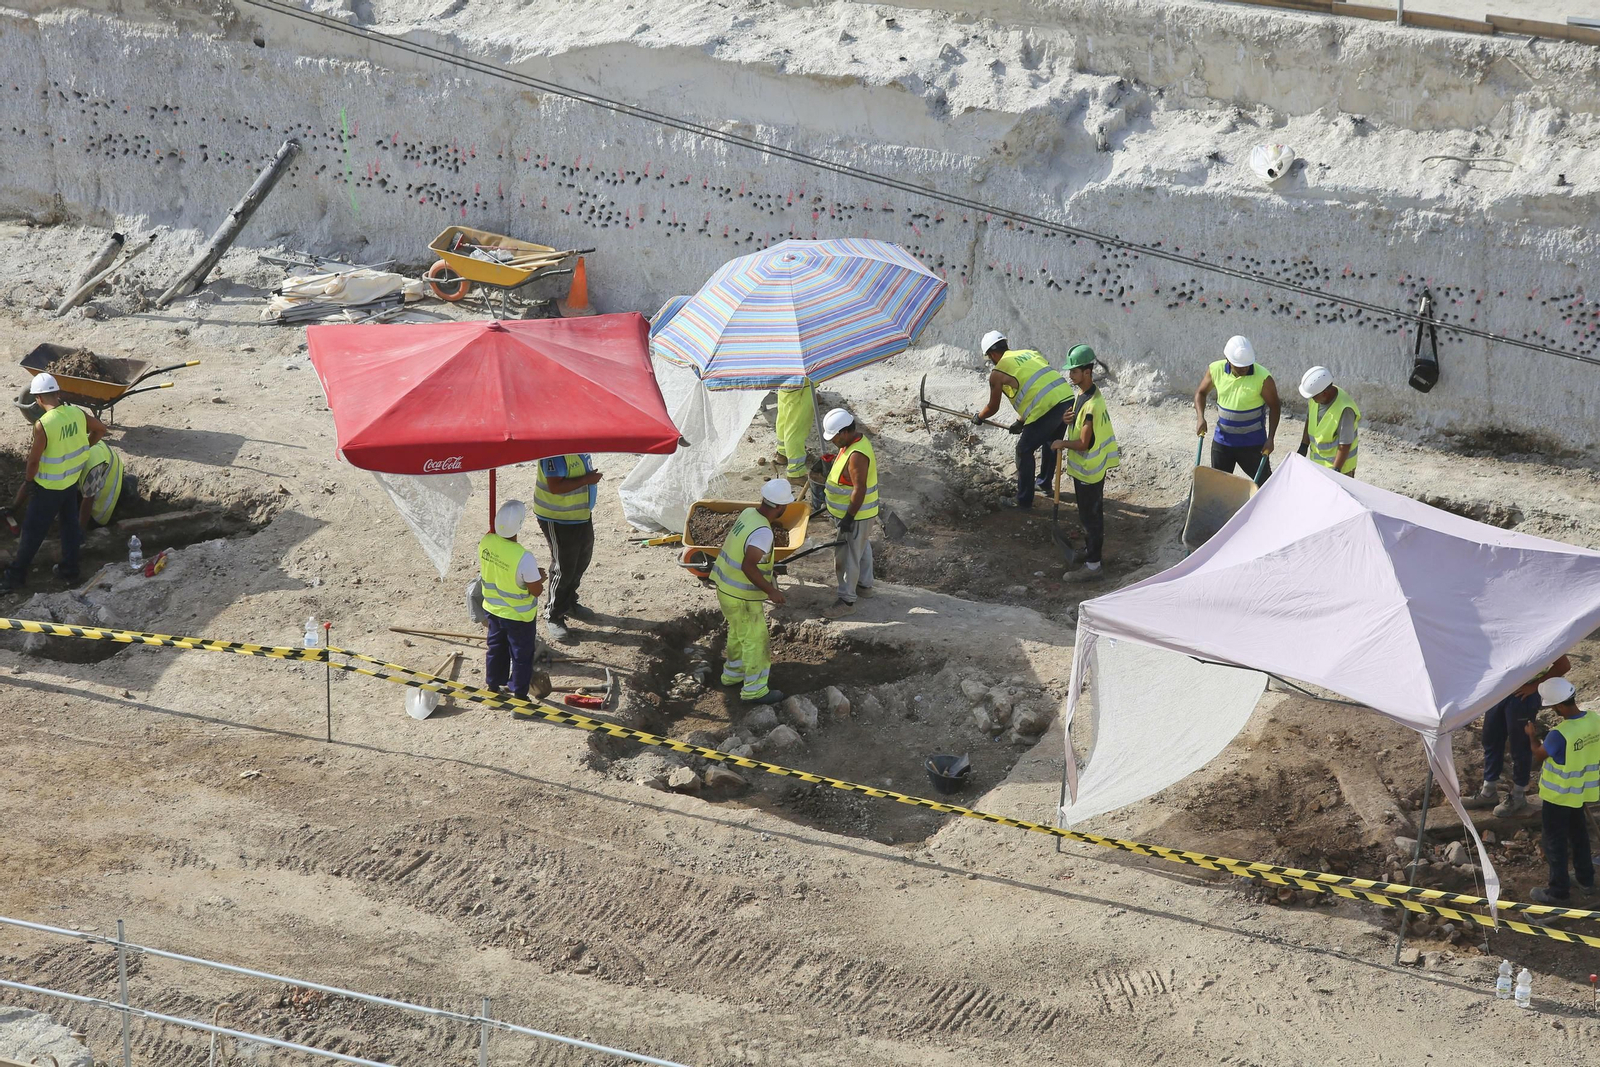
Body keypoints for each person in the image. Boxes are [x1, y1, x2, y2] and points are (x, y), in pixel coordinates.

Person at [2, 373, 107, 591]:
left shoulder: (44, 424)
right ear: (58, 394)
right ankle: (70, 571)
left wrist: (29, 481)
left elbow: (33, 461)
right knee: (69, 527)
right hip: (70, 481)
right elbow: (100, 429)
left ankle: (15, 578)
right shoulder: (77, 413)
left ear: (38, 399)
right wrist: (85, 447)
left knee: (32, 532)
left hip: (48, 488)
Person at [711, 478, 792, 706]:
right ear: (779, 507)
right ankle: (755, 691)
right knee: (756, 640)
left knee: (738, 633)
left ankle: (733, 674)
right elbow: (749, 565)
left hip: (725, 588)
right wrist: (770, 591)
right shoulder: (764, 532)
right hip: (741, 596)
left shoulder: (749, 514)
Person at [974, 330, 1074, 509]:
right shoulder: (1029, 353)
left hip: (1048, 408)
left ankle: (1023, 500)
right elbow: (1037, 386)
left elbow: (993, 407)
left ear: (992, 354)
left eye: (990, 358)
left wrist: (979, 417)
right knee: (1051, 442)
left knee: (1024, 450)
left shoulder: (997, 373)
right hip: (1066, 398)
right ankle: (1043, 484)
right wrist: (1021, 422)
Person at [1465, 657, 1571, 816]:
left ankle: (1518, 795)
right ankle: (1488, 792)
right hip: (1499, 691)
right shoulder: (1497, 633)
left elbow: (1563, 665)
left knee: (1520, 746)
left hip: (1522, 696)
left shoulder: (1537, 634)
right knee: (1491, 740)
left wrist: (1535, 686)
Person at [1051, 345, 1121, 580]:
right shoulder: (1084, 393)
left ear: (1087, 372)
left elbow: (1083, 442)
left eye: (1074, 371)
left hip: (1089, 472)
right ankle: (1090, 552)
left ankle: (1093, 566)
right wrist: (1067, 419)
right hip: (1086, 470)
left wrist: (1062, 443)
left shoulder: (1092, 404)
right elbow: (1079, 422)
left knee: (1091, 518)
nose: (1070, 376)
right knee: (1087, 515)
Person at [1526, 677, 1598, 903]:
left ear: (1557, 706)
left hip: (1559, 796)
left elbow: (1539, 755)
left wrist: (1531, 736)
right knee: (1579, 835)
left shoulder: (1560, 734)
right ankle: (1586, 880)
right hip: (1580, 792)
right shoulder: (1595, 720)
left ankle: (1558, 892)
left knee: (1555, 843)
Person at [478, 500, 546, 710]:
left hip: (493, 610)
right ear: (521, 525)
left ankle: (493, 688)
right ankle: (519, 696)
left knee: (495, 649)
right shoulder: (523, 557)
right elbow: (536, 590)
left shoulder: (486, 542)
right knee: (521, 655)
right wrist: (540, 578)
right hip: (519, 617)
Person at [533, 452, 602, 643]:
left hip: (580, 513)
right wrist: (588, 479)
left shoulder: (579, 446)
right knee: (564, 566)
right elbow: (555, 487)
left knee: (582, 559)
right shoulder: (555, 452)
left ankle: (569, 602)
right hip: (558, 518)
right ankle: (553, 614)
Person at [1194, 335, 1279, 482]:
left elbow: (1275, 406)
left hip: (1252, 444)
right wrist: (1201, 417)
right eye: (1239, 366)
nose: (1244, 369)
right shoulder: (1215, 370)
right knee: (1219, 485)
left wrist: (1271, 438)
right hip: (1223, 441)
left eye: (1246, 365)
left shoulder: (1263, 377)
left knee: (1265, 485)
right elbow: (1200, 393)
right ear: (1228, 360)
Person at [820, 407, 877, 619]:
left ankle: (847, 600)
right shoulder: (852, 443)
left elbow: (859, 489)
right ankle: (864, 586)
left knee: (847, 557)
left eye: (834, 437)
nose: (832, 442)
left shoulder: (857, 455)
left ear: (844, 432)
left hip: (856, 515)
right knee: (861, 548)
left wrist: (848, 518)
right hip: (857, 514)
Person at [1297, 367, 1360, 477]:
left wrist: (1335, 471)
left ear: (1325, 393)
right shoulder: (1316, 398)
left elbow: (1344, 445)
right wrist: (1303, 446)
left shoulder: (1345, 410)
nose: (1312, 399)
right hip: (1317, 465)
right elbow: (1310, 420)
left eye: (1314, 397)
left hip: (1340, 469)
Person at [77, 440, 134, 529]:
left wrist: (79, 531)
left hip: (111, 490)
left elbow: (88, 500)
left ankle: (128, 494)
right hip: (107, 467)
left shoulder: (91, 467)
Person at [774, 386, 814, 481]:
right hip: (800, 384)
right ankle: (796, 473)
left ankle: (783, 453)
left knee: (784, 417)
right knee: (797, 427)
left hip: (786, 382)